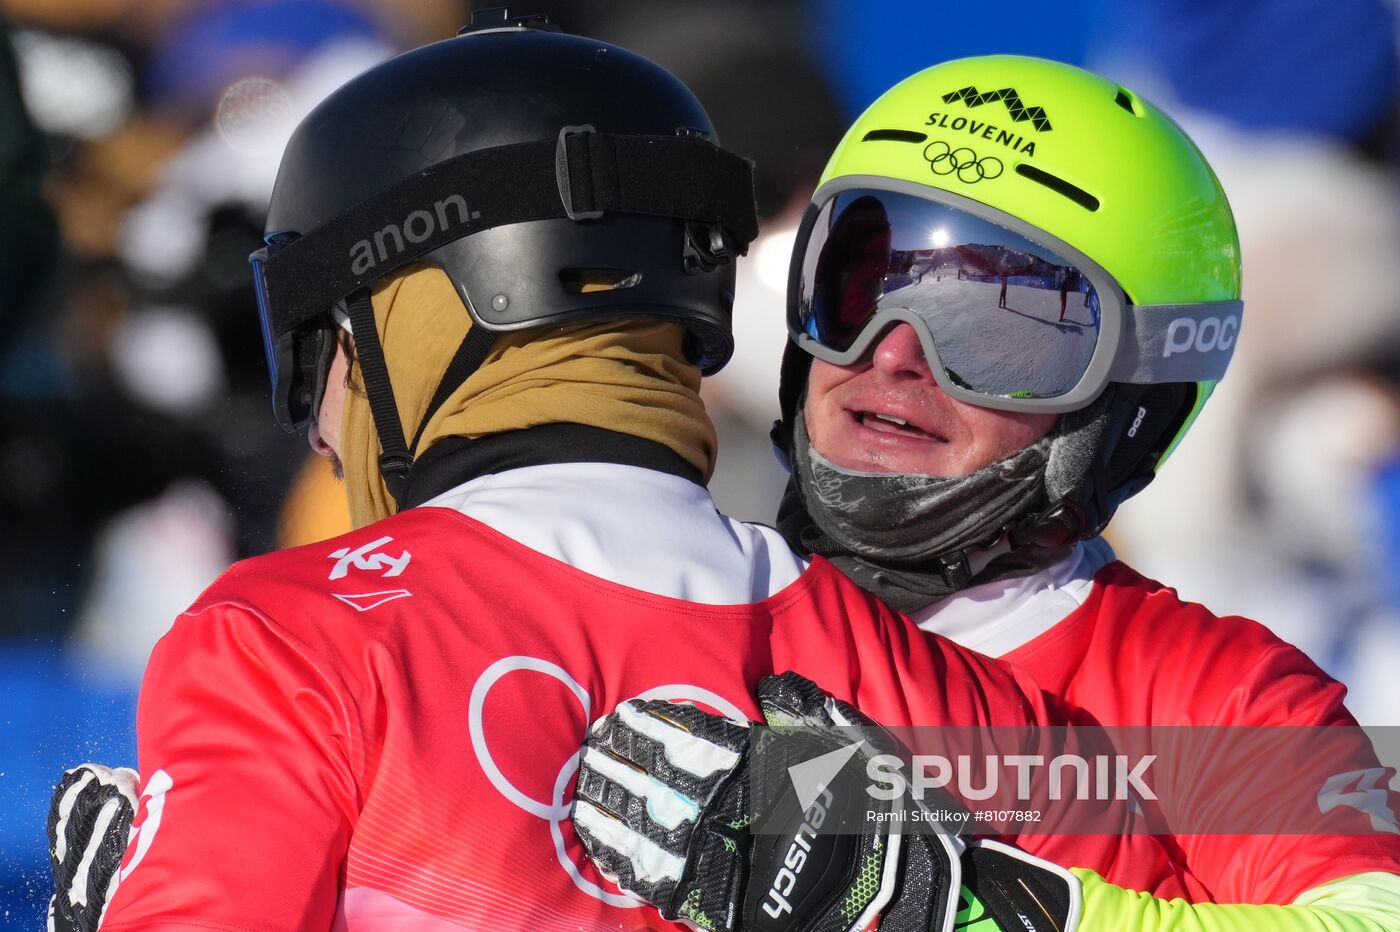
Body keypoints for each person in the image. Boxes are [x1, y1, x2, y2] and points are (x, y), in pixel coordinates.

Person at [44, 20, 1118, 932]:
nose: (322, 431)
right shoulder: (937, 676)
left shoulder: (282, 639)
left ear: (411, 324)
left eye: (317, 358)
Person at [574, 55, 1400, 931]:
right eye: (859, 284)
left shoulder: (1208, 693)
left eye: (1003, 325)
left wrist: (953, 905)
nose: (894, 355)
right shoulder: (659, 586)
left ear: (1127, 408)